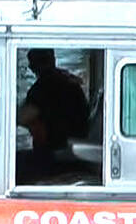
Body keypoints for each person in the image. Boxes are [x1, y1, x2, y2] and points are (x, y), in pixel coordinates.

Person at [16, 49, 90, 183]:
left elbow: (23, 117)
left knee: (17, 162)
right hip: (74, 145)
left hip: (56, 152)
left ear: (33, 67)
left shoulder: (43, 88)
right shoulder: (70, 83)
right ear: (53, 60)